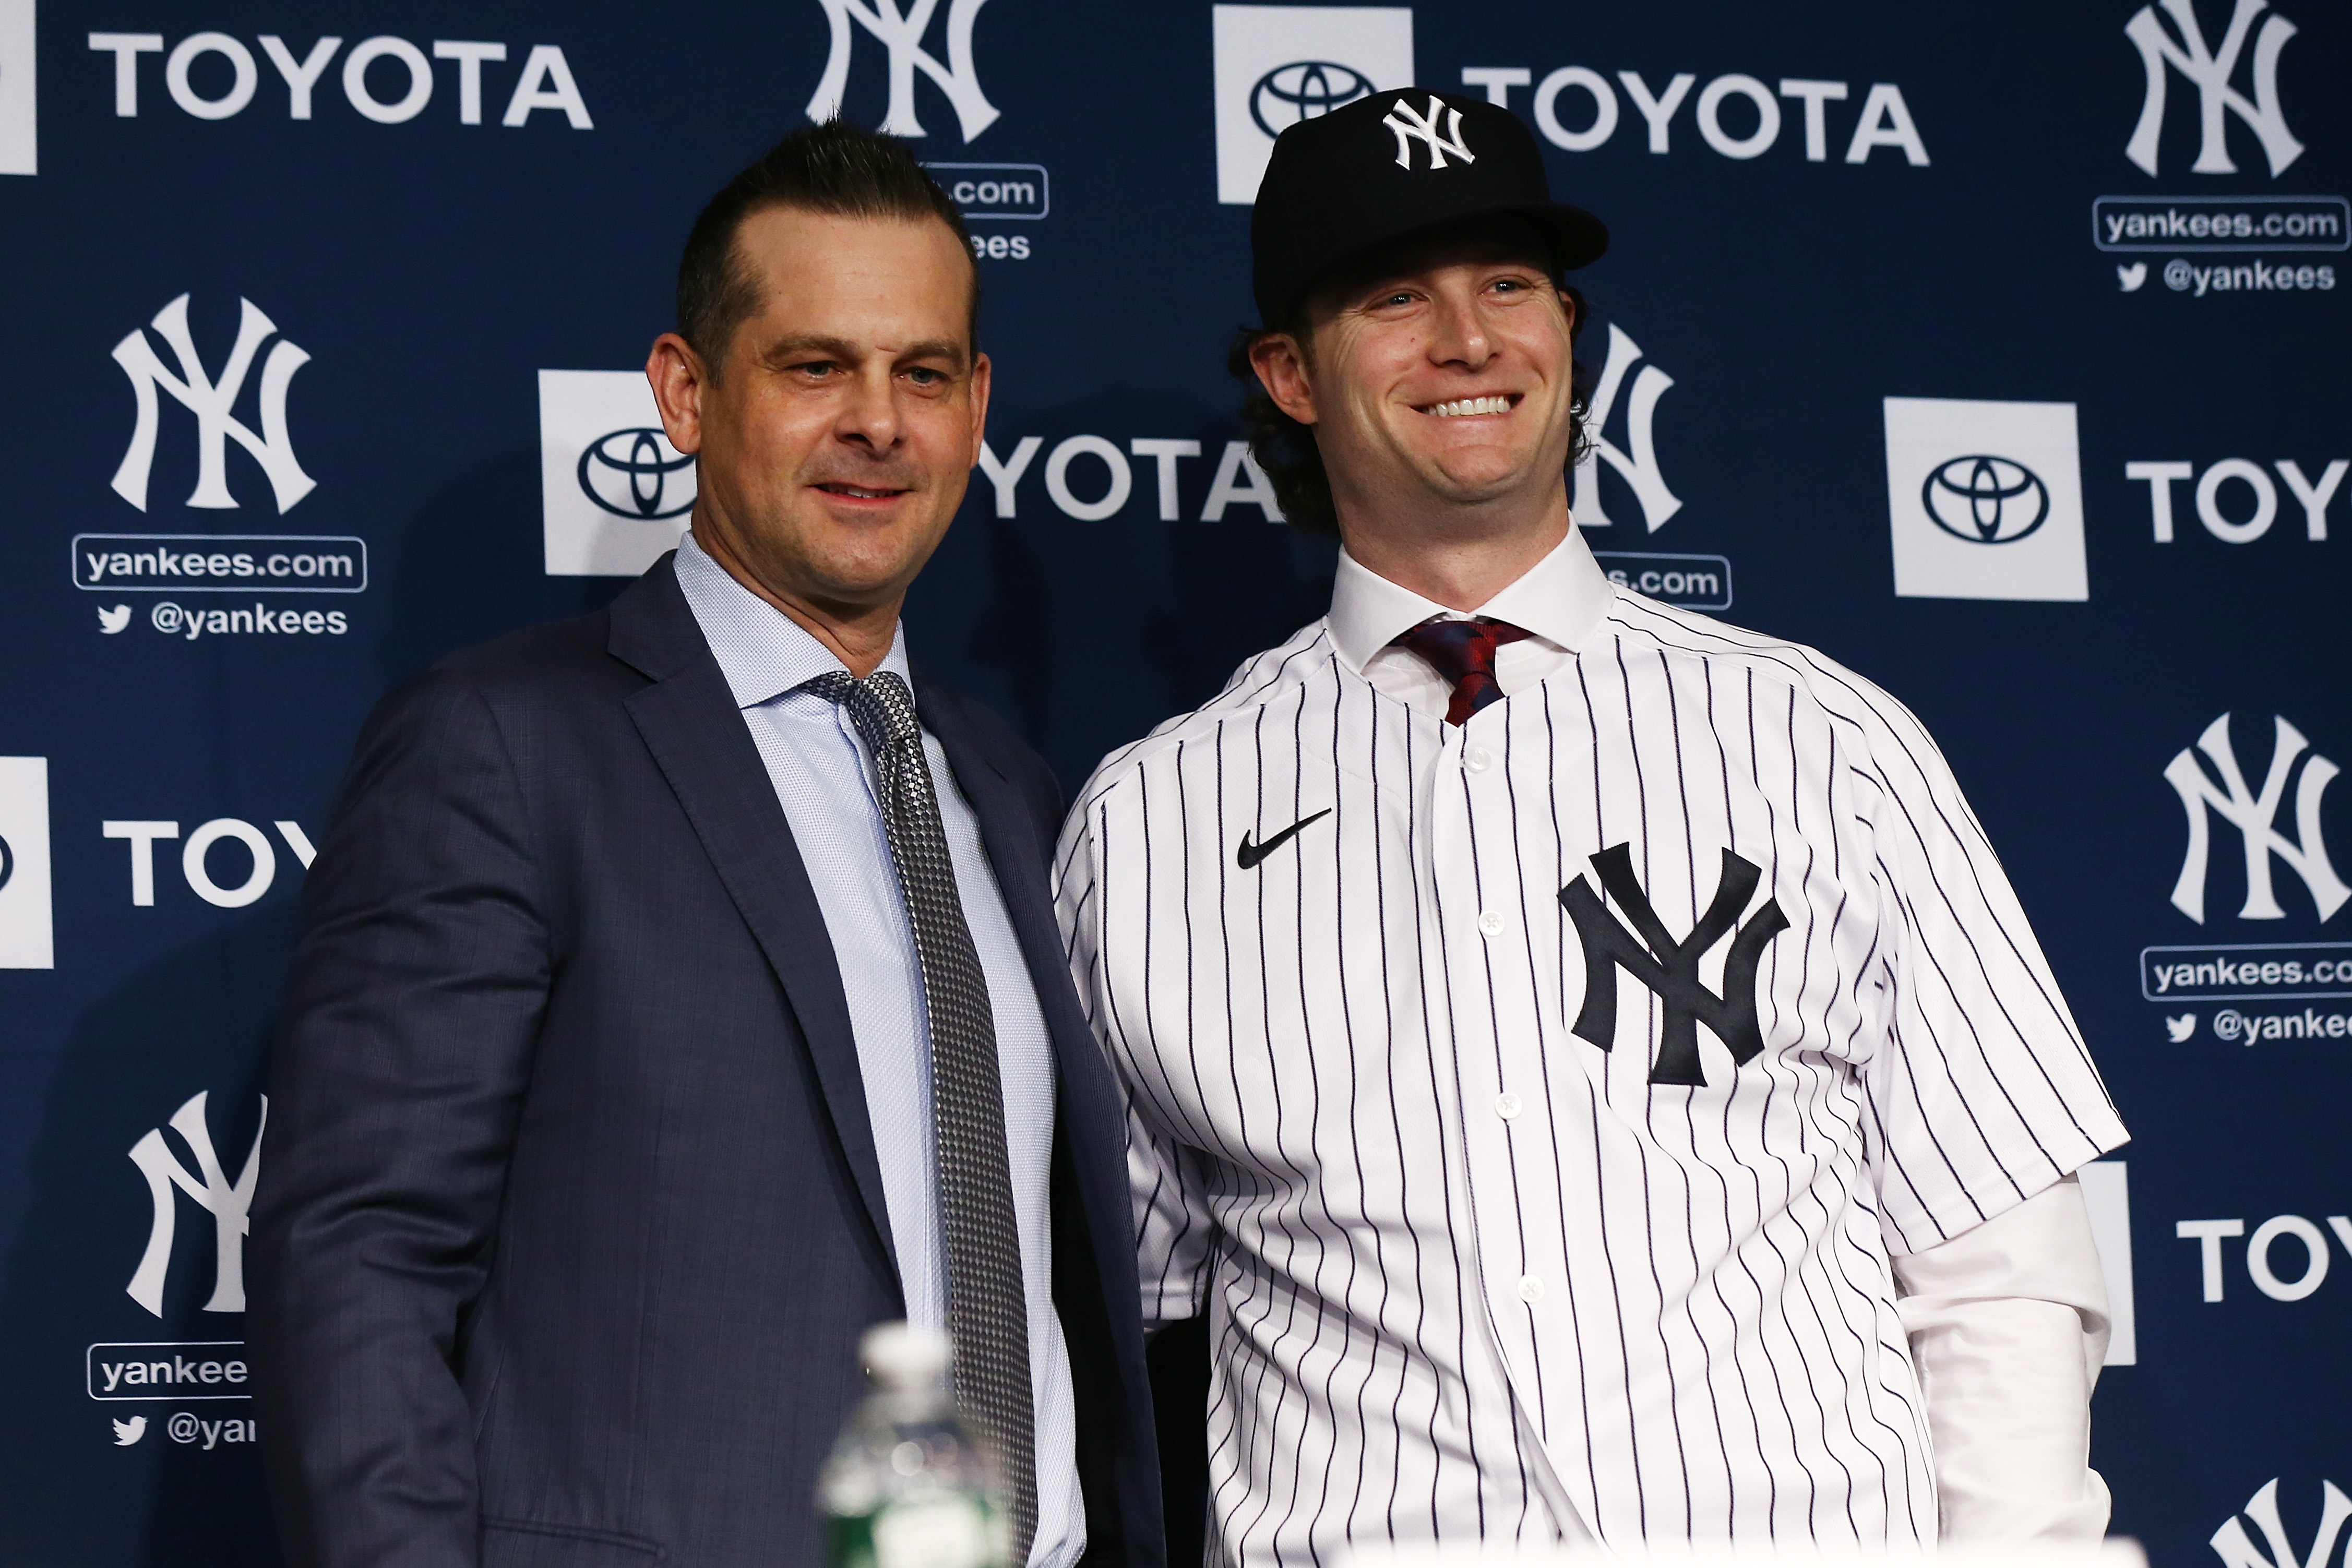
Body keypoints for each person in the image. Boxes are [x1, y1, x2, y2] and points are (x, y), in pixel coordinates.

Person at [1054, 89, 2125, 1564]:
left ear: (1567, 332)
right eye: (1395, 297)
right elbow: (1102, 1321)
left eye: (1507, 285)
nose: (1468, 339)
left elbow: (1994, 1266)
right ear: (1289, 375)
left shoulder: (1819, 742)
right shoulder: (1151, 820)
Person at [252, 121, 1160, 1568]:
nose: (877, 423)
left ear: (976, 406)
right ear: (684, 392)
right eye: (815, 367)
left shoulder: (1006, 786)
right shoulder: (507, 744)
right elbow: (359, 1260)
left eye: (921, 373)